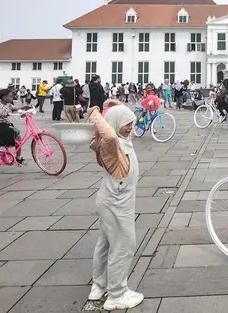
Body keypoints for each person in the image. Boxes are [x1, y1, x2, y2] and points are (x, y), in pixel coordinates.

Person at [88, 102, 144, 310]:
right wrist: (94, 113)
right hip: (117, 204)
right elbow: (109, 134)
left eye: (130, 123)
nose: (130, 127)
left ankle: (99, 285)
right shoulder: (111, 144)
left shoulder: (124, 138)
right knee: (124, 246)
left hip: (111, 201)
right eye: (126, 124)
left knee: (105, 244)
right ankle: (117, 294)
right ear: (113, 124)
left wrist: (114, 106)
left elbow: (127, 119)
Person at [0, 88, 32, 152]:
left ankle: (18, 157)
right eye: (11, 96)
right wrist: (1, 115)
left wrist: (25, 107)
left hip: (6, 124)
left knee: (17, 136)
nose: (12, 98)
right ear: (4, 98)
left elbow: (16, 108)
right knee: (10, 133)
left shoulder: (9, 104)